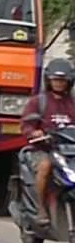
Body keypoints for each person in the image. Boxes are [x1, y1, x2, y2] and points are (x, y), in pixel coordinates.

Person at [20, 57, 75, 227]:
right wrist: (35, 132)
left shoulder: (73, 103)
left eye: (62, 80)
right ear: (48, 81)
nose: (59, 84)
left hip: (69, 151)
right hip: (44, 149)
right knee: (45, 166)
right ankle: (41, 209)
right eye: (55, 80)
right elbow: (26, 125)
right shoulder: (38, 102)